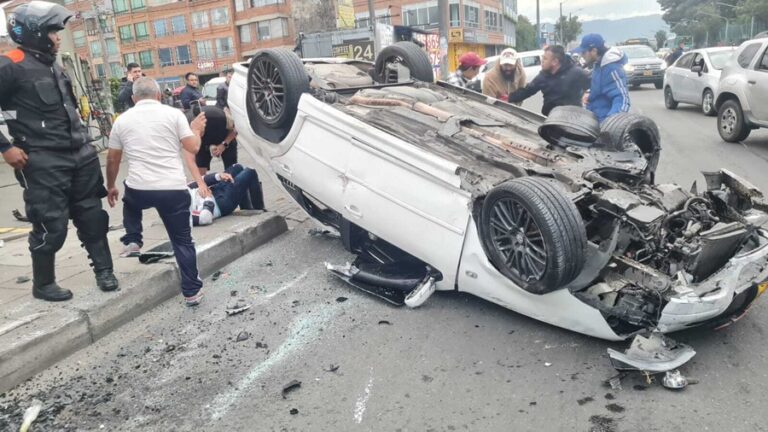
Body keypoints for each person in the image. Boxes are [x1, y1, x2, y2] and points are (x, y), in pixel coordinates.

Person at [0, 0, 118, 301]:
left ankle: (105, 271)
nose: (57, 37)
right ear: (35, 33)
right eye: (53, 32)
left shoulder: (54, 64)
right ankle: (43, 284)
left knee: (93, 217)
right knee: (50, 224)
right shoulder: (9, 65)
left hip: (81, 154)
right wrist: (5, 147)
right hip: (42, 159)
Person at [106, 77, 209, 306]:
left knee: (130, 200)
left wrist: (110, 185)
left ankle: (133, 239)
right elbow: (193, 147)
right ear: (159, 95)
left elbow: (112, 159)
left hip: (140, 188)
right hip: (172, 189)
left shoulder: (122, 120)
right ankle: (192, 292)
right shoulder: (173, 115)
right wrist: (196, 130)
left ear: (133, 98)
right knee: (182, 242)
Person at [508, 45, 591, 116]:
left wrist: (587, 93)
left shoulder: (576, 72)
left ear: (555, 61)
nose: (542, 61)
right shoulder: (543, 76)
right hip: (550, 118)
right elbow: (527, 91)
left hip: (571, 118)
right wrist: (508, 98)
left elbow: (593, 86)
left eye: (545, 59)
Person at [572, 33, 631, 123]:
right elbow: (601, 89)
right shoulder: (598, 65)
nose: (581, 55)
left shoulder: (612, 68)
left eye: (584, 52)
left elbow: (622, 99)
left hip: (605, 124)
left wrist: (610, 123)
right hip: (594, 119)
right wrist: (589, 94)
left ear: (594, 51)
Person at [188, 164, 264, 226]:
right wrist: (208, 198)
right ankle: (260, 210)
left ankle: (246, 208)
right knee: (250, 171)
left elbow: (196, 183)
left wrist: (219, 176)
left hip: (215, 189)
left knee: (237, 167)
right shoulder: (181, 216)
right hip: (220, 203)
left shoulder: (180, 188)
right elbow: (204, 218)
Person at [187, 105, 238, 175]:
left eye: (200, 133)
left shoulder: (218, 118)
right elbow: (191, 159)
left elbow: (234, 131)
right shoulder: (187, 130)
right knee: (200, 172)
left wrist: (223, 145)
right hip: (203, 143)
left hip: (224, 138)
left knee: (231, 170)